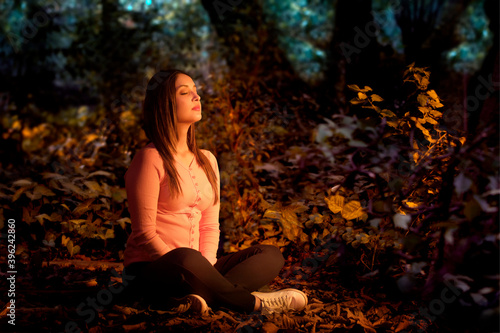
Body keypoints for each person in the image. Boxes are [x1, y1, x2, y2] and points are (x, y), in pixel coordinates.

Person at [122, 69, 308, 315]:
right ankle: (255, 304)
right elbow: (144, 234)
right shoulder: (149, 158)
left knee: (270, 255)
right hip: (154, 268)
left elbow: (210, 224)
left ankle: (197, 297)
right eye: (185, 92)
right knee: (186, 259)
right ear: (164, 103)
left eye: (196, 91)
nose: (196, 97)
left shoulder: (208, 160)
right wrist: (191, 268)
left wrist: (206, 270)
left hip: (196, 266)